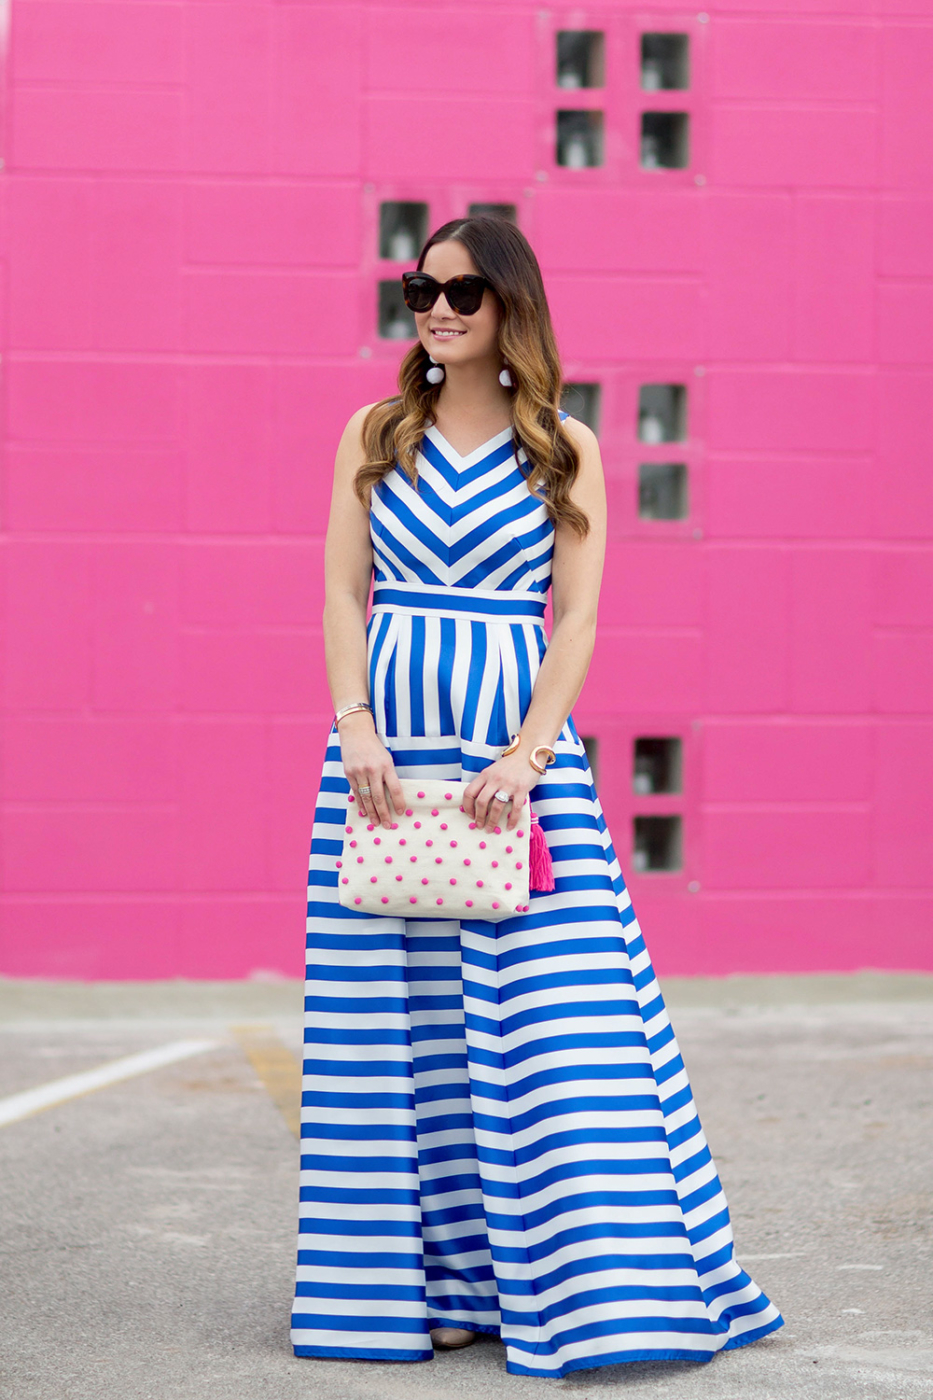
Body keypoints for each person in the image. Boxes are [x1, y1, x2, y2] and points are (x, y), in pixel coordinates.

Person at [290, 216, 784, 1379]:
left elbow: (578, 620)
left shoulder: (562, 444)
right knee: (391, 1039)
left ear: (512, 302)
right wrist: (354, 724)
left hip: (517, 773)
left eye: (463, 289)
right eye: (422, 287)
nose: (439, 307)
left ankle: (594, 1289)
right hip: (380, 765)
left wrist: (527, 754)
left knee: (560, 1023)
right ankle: (427, 1293)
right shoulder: (373, 432)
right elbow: (339, 598)